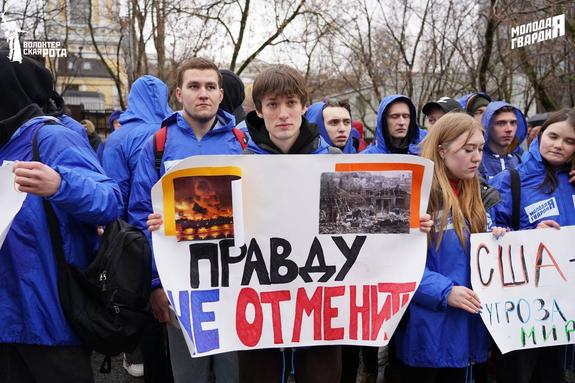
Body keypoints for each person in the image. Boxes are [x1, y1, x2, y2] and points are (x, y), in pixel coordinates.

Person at [0, 53, 122, 382]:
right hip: (6, 321)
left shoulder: (52, 138)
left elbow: (110, 200)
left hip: (51, 319)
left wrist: (60, 186)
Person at [129, 57, 241, 383]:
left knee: (232, 376)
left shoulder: (242, 143)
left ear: (221, 94)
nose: (202, 93)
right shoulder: (158, 144)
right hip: (181, 289)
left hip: (233, 286)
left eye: (210, 86)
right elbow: (138, 216)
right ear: (179, 93)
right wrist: (154, 285)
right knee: (187, 376)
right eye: (194, 86)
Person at [393, 112, 505, 383]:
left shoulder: (478, 193)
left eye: (480, 148)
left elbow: (475, 253)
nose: (477, 157)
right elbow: (394, 265)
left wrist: (502, 238)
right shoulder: (413, 195)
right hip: (426, 333)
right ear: (442, 151)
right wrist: (444, 291)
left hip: (470, 331)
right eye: (467, 150)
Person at [489, 108, 575, 383]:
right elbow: (490, 234)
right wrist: (530, 233)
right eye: (553, 136)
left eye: (570, 141)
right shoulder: (511, 180)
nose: (559, 145)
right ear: (539, 135)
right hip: (522, 308)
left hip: (565, 306)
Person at [102, 75, 172, 220]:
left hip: (135, 229)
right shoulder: (177, 132)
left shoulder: (117, 139)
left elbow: (116, 193)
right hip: (175, 225)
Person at [361, 95, 426, 155]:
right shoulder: (367, 158)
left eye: (406, 116)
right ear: (384, 121)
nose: (401, 122)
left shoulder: (422, 154)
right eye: (395, 116)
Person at [480, 101, 527, 180]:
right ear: (487, 126)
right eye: (501, 123)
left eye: (513, 123)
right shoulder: (477, 162)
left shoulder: (523, 162)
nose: (509, 129)